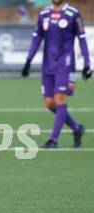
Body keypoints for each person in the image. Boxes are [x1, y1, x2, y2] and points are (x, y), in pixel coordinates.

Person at [22, 0, 91, 148]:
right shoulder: (44, 14)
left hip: (65, 65)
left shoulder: (73, 14)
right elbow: (36, 38)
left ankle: (53, 140)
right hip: (47, 65)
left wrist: (87, 63)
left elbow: (82, 39)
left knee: (60, 99)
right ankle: (77, 129)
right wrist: (28, 60)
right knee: (49, 103)